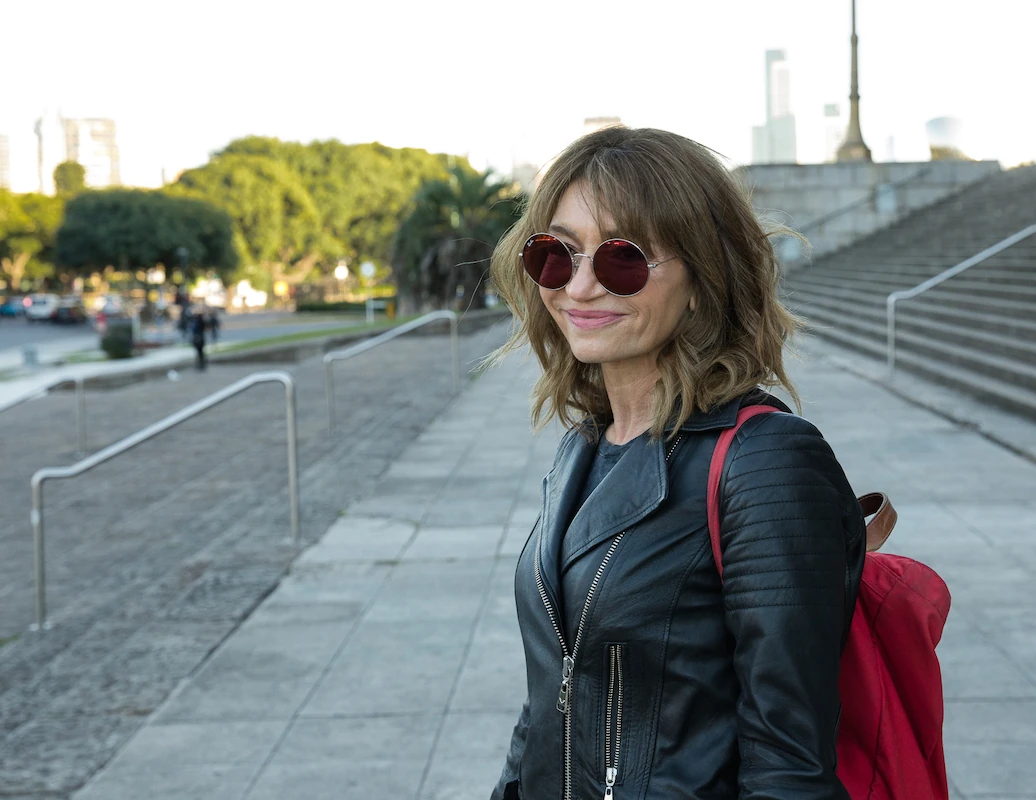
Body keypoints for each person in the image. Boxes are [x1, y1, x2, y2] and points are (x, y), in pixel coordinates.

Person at [487, 127, 866, 800]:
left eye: (622, 259)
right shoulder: (584, 447)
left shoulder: (766, 464)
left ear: (701, 279)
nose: (578, 287)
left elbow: (789, 765)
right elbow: (555, 686)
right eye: (555, 254)